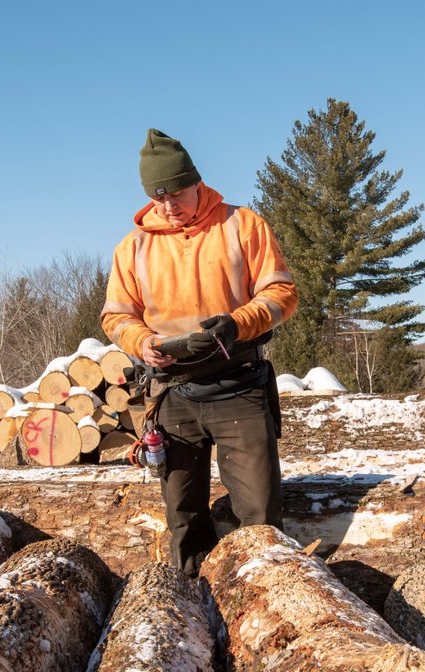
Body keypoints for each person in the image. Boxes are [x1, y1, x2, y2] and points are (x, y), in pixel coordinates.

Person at [101, 129, 298, 576]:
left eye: (176, 192)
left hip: (239, 387)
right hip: (172, 394)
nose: (168, 206)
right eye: (158, 197)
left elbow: (282, 293)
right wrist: (142, 343)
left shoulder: (242, 225)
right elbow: (116, 316)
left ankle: (266, 596)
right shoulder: (132, 248)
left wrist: (238, 322)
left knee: (260, 517)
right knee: (184, 519)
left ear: (196, 181)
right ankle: (189, 606)